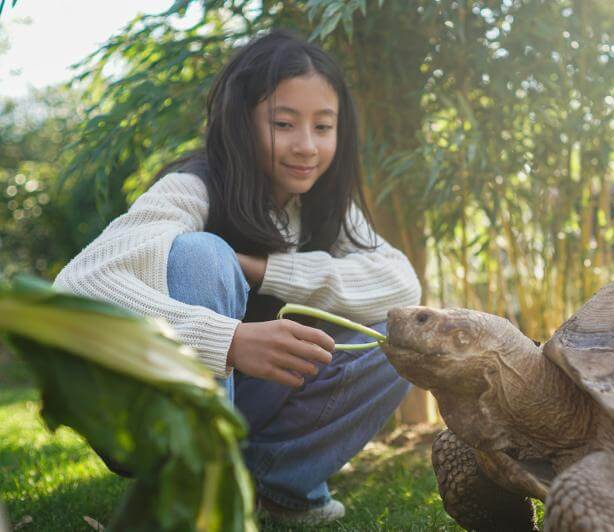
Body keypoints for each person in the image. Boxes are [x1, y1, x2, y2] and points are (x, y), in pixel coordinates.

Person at [54, 29, 421, 526]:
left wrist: (266, 270)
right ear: (243, 121)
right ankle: (195, 488)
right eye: (284, 123)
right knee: (203, 256)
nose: (307, 146)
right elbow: (77, 288)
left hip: (248, 404)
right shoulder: (192, 187)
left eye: (323, 126)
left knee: (396, 338)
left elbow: (401, 284)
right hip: (152, 413)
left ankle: (277, 486)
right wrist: (225, 340)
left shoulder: (323, 207)